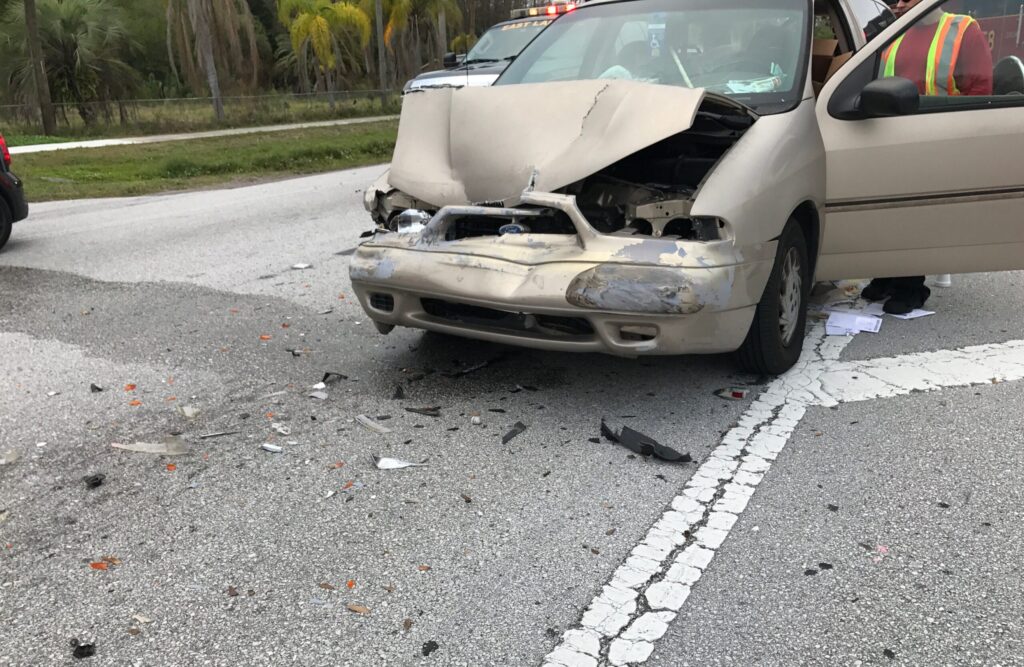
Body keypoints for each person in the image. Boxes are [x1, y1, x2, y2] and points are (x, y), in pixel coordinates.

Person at [862, 0, 993, 313]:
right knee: (884, 211)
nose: (902, 3)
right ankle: (887, 274)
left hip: (936, 135)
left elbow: (980, 88)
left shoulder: (962, 29)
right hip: (887, 135)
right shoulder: (890, 32)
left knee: (914, 214)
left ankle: (910, 287)